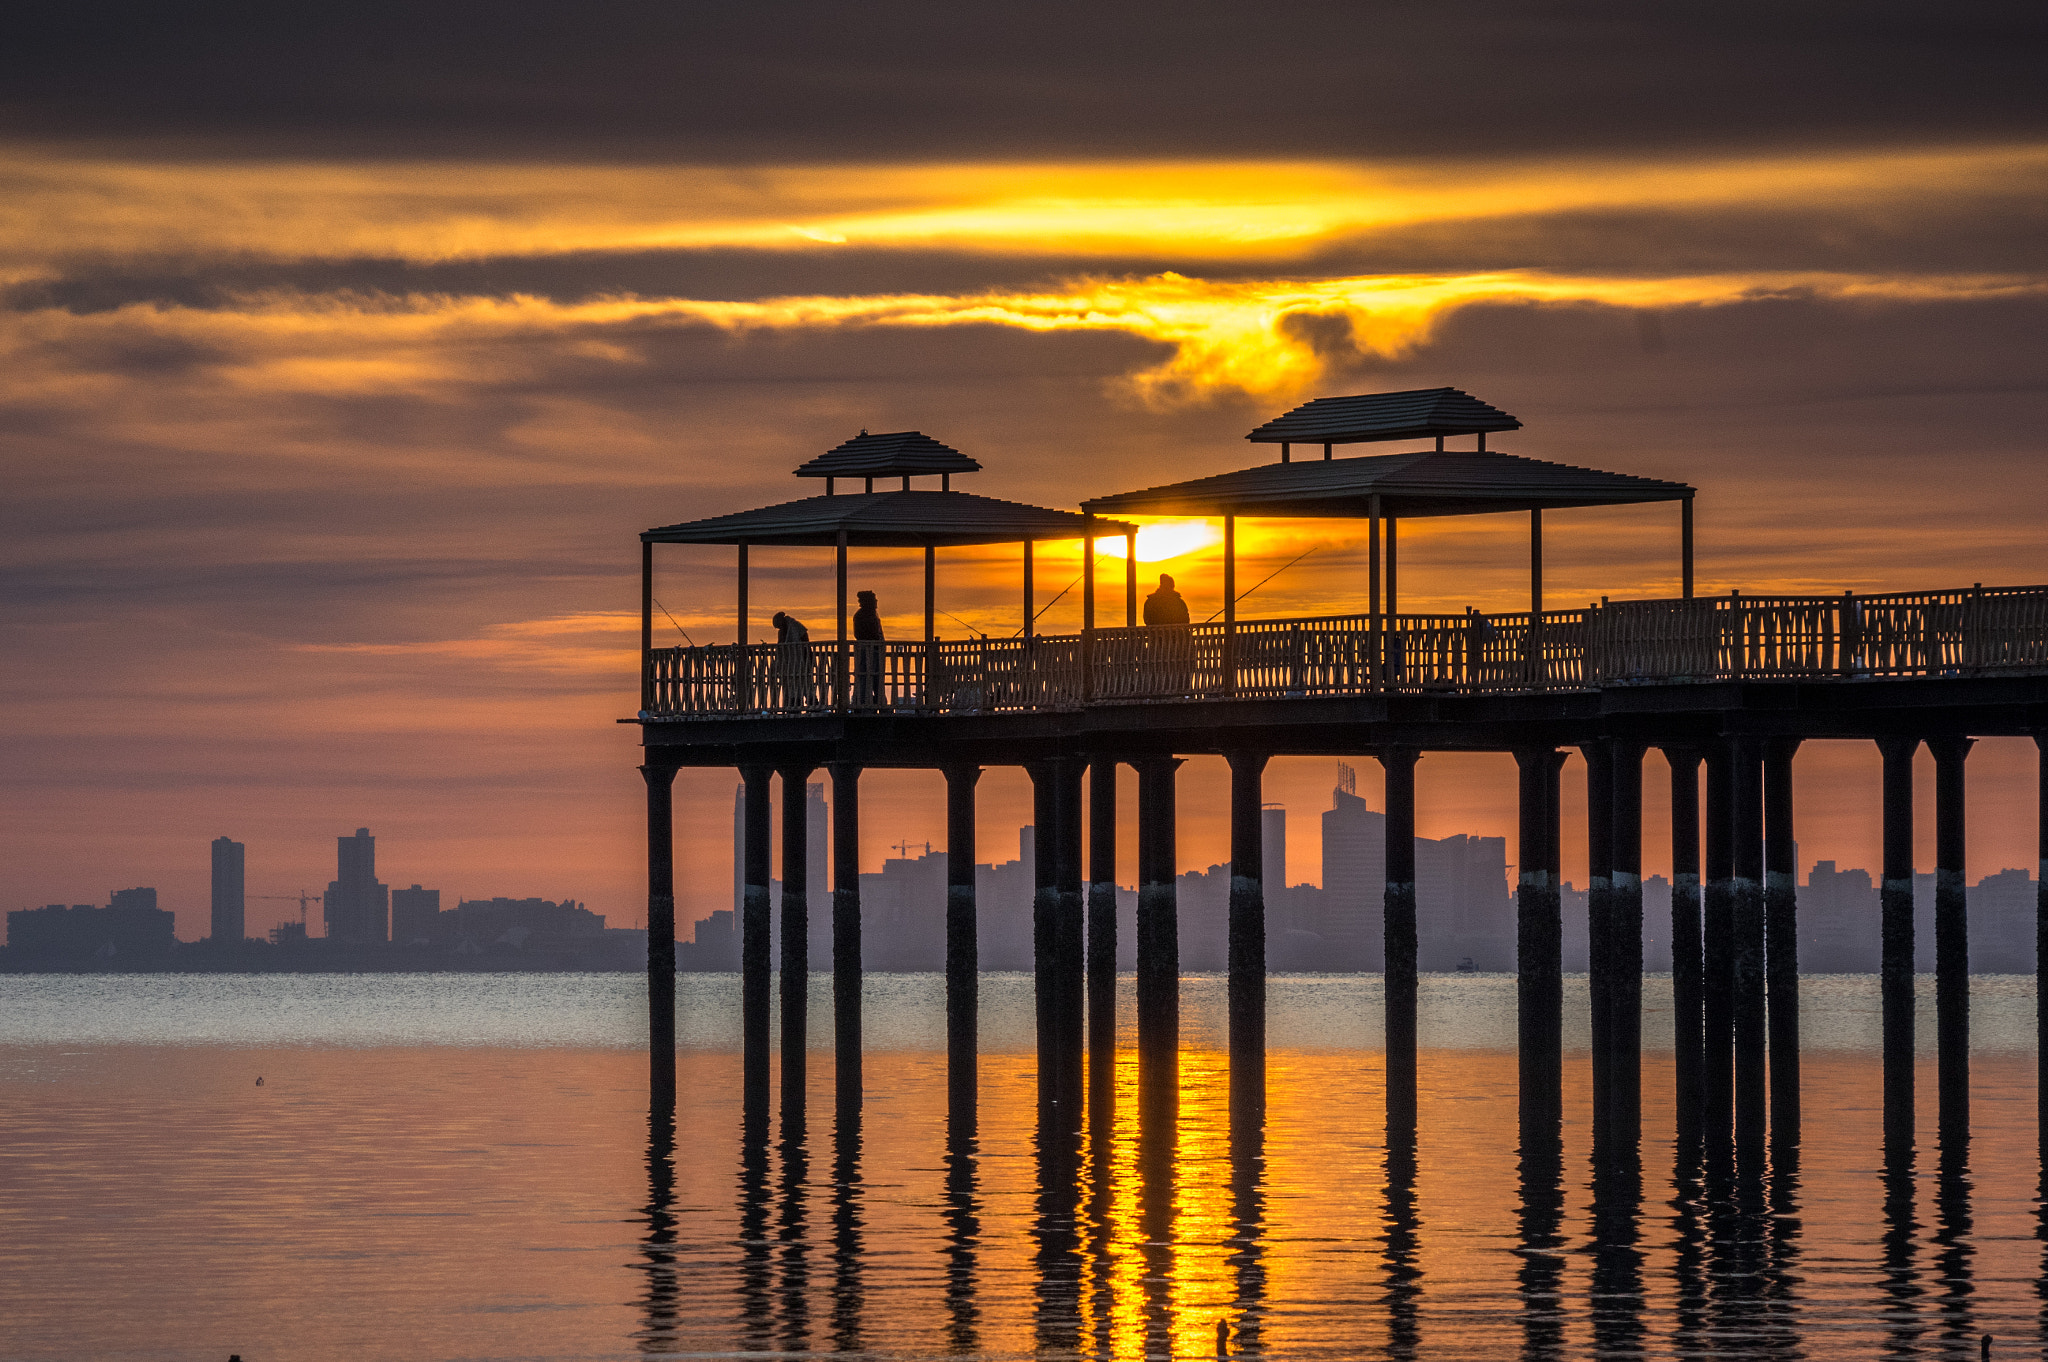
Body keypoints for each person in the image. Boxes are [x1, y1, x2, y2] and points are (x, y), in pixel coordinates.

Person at [1141, 573, 1194, 693]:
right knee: (1177, 667)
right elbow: (1186, 620)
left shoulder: (1150, 602)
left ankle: (1157, 690)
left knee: (1158, 667)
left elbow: (1147, 620)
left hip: (1156, 643)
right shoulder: (1178, 602)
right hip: (1177, 644)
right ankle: (1179, 690)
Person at [769, 610, 812, 709]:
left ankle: (809, 702)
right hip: (789, 664)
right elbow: (780, 647)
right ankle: (794, 704)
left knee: (805, 682)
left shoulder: (795, 627)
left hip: (800, 660)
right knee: (792, 685)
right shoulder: (783, 632)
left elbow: (806, 642)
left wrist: (807, 657)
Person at [852, 590, 885, 707]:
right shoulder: (861, 616)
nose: (876, 602)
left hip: (875, 651)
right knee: (865, 677)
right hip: (867, 651)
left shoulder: (872, 615)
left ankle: (879, 701)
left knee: (877, 678)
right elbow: (860, 634)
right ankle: (863, 702)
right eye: (873, 600)